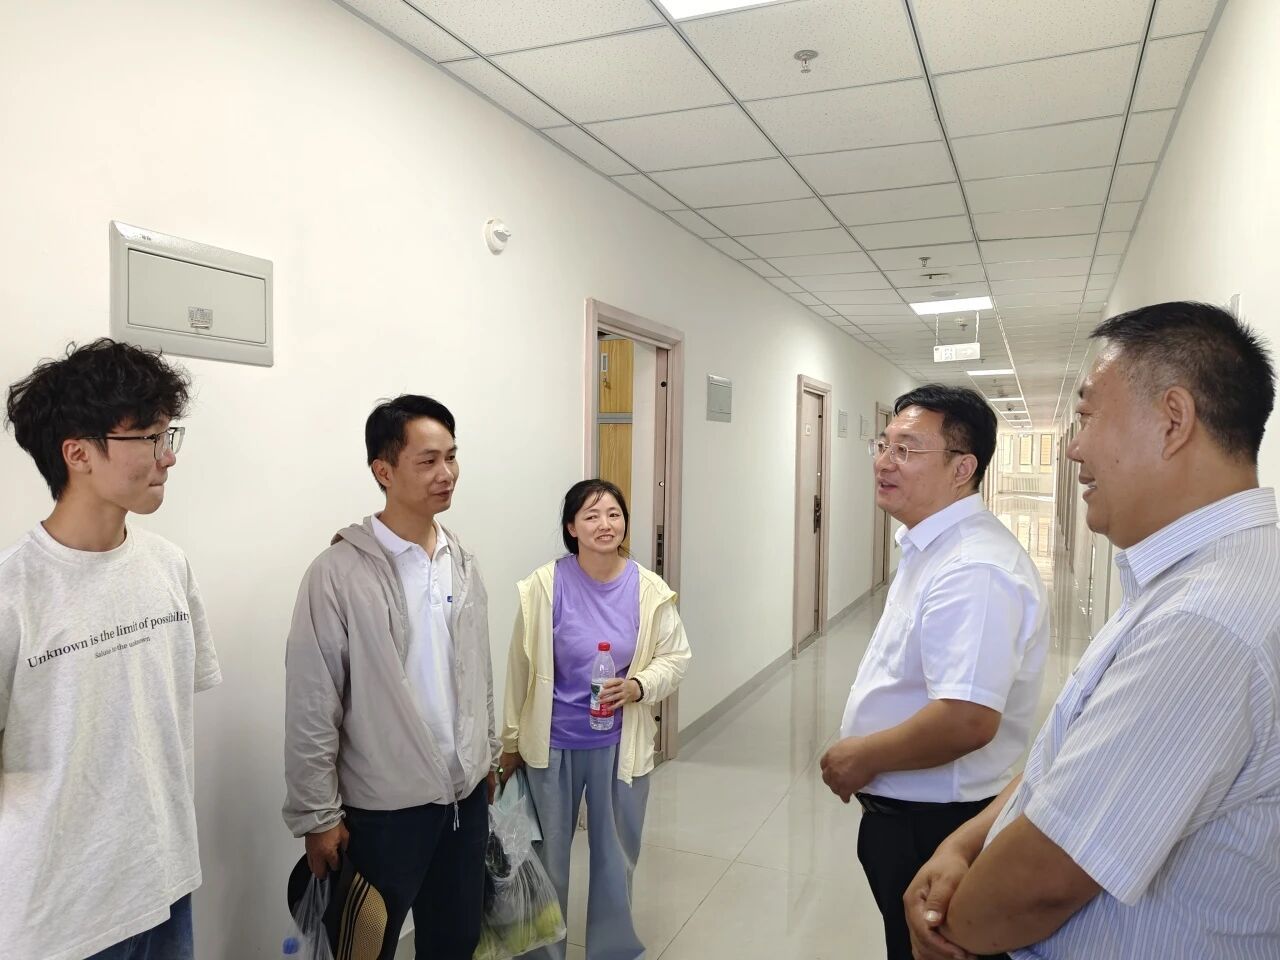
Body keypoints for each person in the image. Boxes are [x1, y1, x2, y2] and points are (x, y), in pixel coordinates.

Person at [905, 302, 1280, 960]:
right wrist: (964, 842)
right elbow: (1068, 761)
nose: (1074, 448)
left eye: (1088, 416)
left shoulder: (1202, 623)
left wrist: (946, 929)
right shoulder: (1198, 579)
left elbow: (1043, 881)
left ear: (1173, 421)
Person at [0, 339, 221, 960]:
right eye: (149, 438)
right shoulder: (13, 594)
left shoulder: (169, 566)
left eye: (168, 434)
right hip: (59, 919)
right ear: (77, 454)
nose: (168, 456)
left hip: (166, 883)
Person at [820, 384, 1050, 960]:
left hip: (937, 823)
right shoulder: (934, 547)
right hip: (914, 814)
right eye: (883, 444)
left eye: (906, 449)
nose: (884, 461)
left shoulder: (973, 567)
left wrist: (860, 757)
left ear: (961, 468)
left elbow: (967, 719)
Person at [283, 395, 499, 960]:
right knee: (363, 949)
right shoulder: (337, 574)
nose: (446, 473)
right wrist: (317, 815)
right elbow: (313, 701)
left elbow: (478, 671)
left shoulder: (461, 560)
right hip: (382, 811)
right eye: (428, 461)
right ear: (384, 470)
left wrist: (488, 756)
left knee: (455, 942)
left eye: (452, 456)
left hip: (464, 800)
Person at [499, 479, 691, 960]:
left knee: (615, 856)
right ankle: (543, 954)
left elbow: (676, 657)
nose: (605, 524)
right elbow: (519, 670)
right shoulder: (544, 587)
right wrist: (510, 743)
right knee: (547, 860)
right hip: (552, 745)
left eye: (613, 514)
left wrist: (639, 685)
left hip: (618, 744)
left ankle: (612, 950)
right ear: (572, 527)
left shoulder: (648, 590)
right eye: (591, 515)